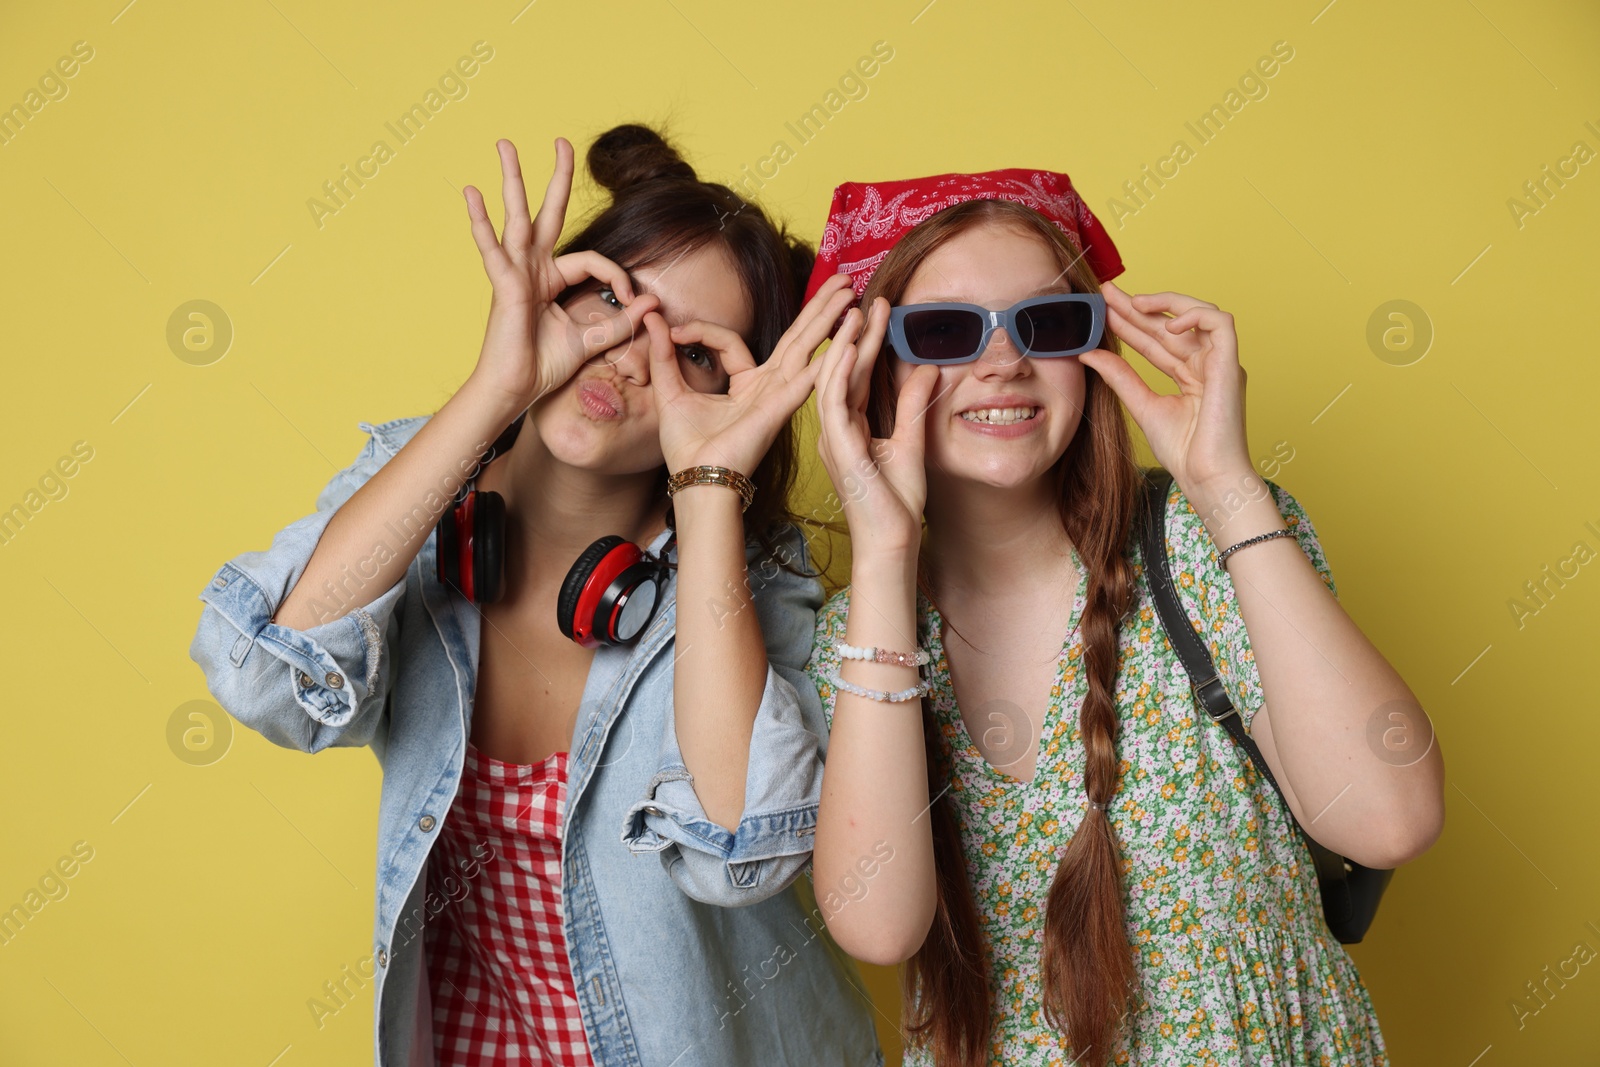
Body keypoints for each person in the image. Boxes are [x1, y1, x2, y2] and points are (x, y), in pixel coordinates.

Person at [188, 123, 882, 1067]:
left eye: (694, 354)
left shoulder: (750, 580)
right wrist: (495, 382)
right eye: (608, 297)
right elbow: (265, 681)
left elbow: (739, 855)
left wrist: (713, 483)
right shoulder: (415, 491)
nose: (631, 357)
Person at [801, 169, 1446, 1066]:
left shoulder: (1201, 544)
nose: (1002, 363)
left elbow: (1391, 819)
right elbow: (878, 924)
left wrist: (1227, 489)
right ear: (866, 371)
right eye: (943, 332)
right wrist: (881, 555)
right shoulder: (858, 629)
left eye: (1047, 324)